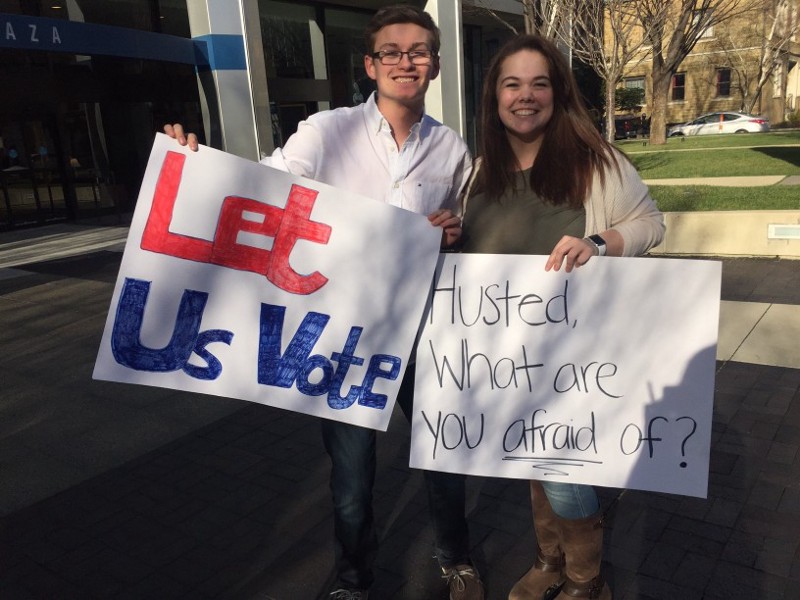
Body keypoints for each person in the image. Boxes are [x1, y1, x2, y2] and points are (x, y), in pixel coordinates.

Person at [166, 5, 483, 600]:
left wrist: (451, 231)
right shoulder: (326, 131)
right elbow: (263, 185)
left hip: (420, 330)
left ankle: (455, 559)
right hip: (344, 335)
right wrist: (192, 163)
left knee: (442, 453)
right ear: (370, 64)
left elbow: (460, 225)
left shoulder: (451, 151)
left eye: (418, 51)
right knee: (351, 477)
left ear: (436, 65)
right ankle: (354, 581)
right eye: (392, 51)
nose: (405, 61)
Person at [458, 34, 665, 600]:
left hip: (574, 353)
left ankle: (584, 579)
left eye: (538, 84)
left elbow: (651, 223)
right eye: (512, 84)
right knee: (534, 461)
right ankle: (549, 561)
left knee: (564, 474)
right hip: (505, 354)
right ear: (494, 97)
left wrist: (599, 241)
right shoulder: (478, 172)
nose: (525, 96)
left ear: (557, 93)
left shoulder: (596, 162)